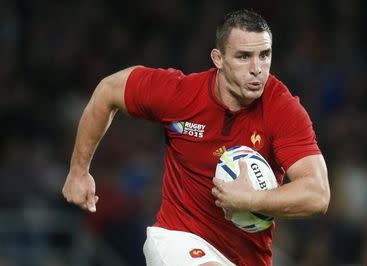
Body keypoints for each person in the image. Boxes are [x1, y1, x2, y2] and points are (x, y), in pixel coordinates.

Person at [62, 9, 330, 266]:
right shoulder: (181, 94)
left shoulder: (283, 109)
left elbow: (318, 194)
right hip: (177, 239)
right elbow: (108, 91)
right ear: (218, 59)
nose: (257, 68)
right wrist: (78, 171)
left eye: (264, 55)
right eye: (243, 56)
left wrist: (250, 201)